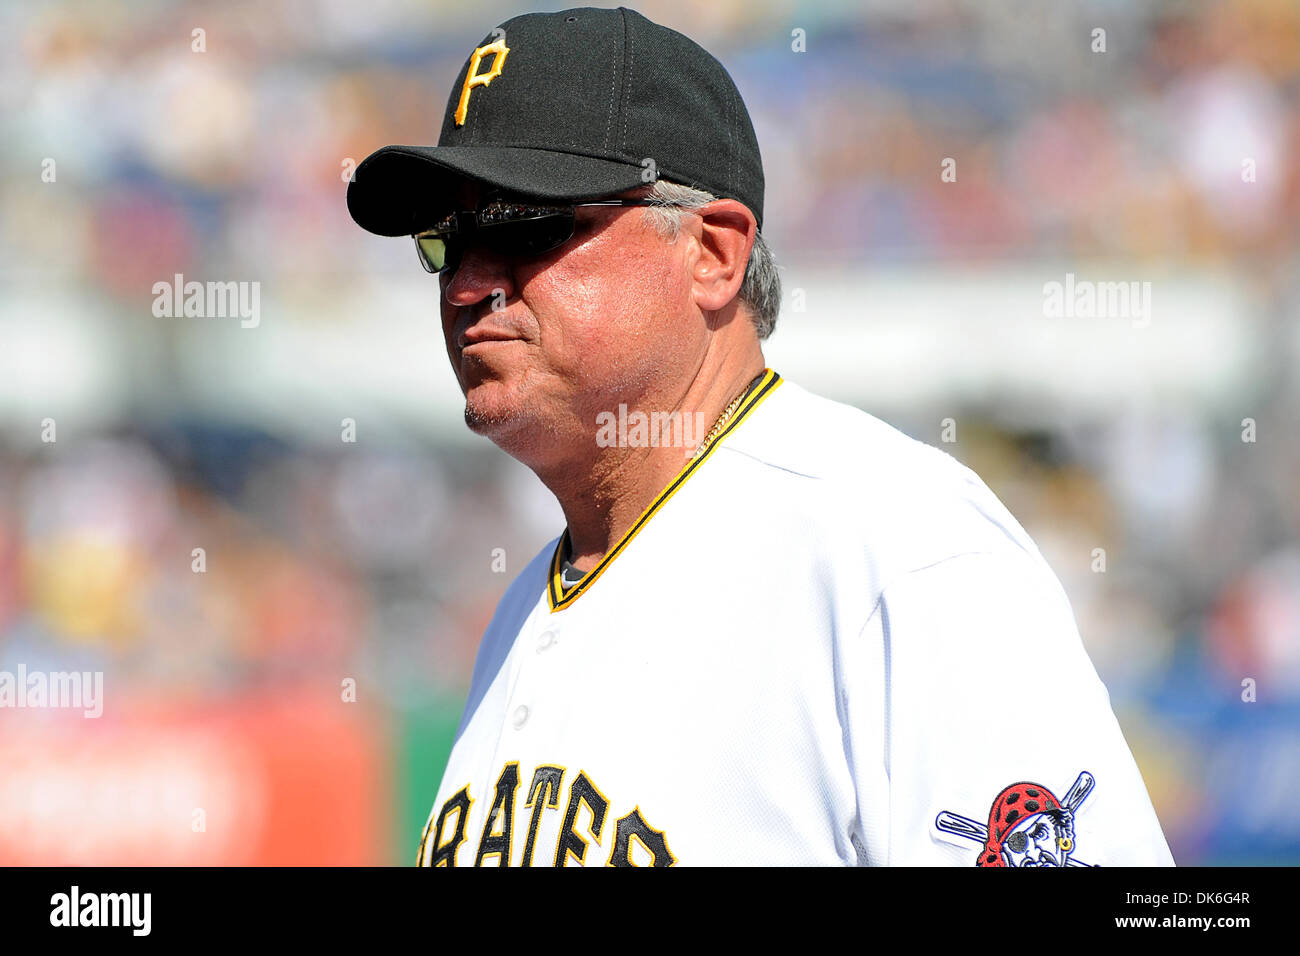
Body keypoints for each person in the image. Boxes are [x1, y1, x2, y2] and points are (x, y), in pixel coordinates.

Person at [347, 6, 1174, 867]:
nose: (469, 284)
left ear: (712, 253)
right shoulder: (522, 604)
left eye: (526, 222)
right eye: (450, 240)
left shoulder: (896, 550)